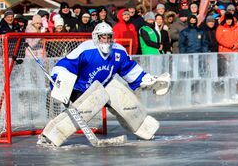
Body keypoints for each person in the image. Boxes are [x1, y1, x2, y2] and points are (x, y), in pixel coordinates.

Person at [38, 22, 171, 147]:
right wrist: (58, 80)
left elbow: (131, 70)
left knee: (119, 93)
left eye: (109, 37)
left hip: (104, 87)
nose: (106, 40)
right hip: (79, 90)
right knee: (92, 102)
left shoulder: (118, 51)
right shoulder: (86, 49)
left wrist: (148, 80)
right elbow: (65, 64)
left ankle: (143, 128)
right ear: (96, 37)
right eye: (103, 37)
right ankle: (51, 135)